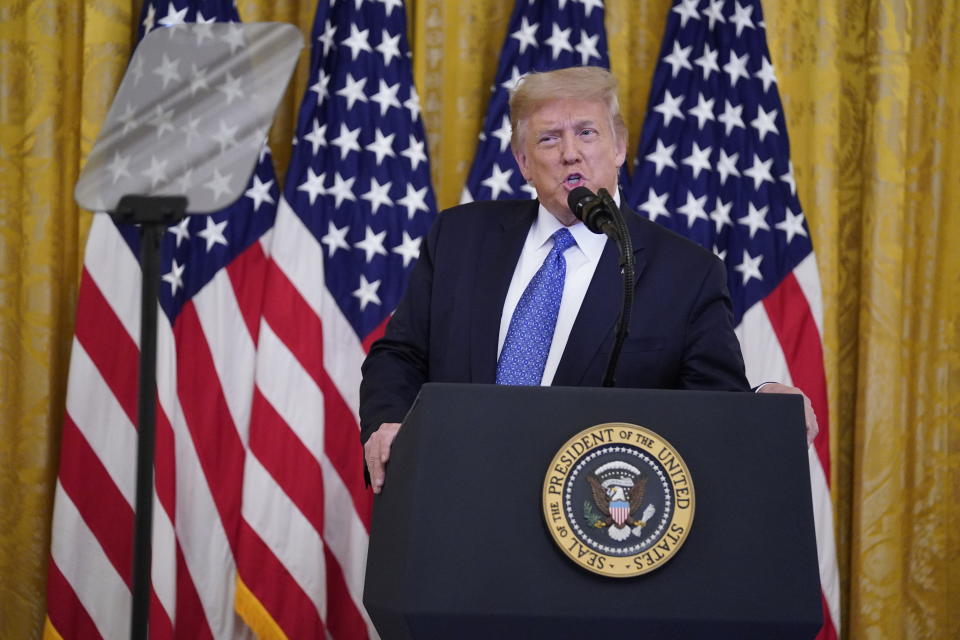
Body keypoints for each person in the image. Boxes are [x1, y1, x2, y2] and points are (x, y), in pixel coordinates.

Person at [360, 66, 816, 494]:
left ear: (618, 147)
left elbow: (709, 409)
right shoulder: (459, 237)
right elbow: (399, 354)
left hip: (593, 524)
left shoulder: (687, 274)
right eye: (548, 139)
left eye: (586, 132)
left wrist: (761, 402)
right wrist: (389, 421)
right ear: (523, 162)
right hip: (455, 492)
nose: (569, 152)